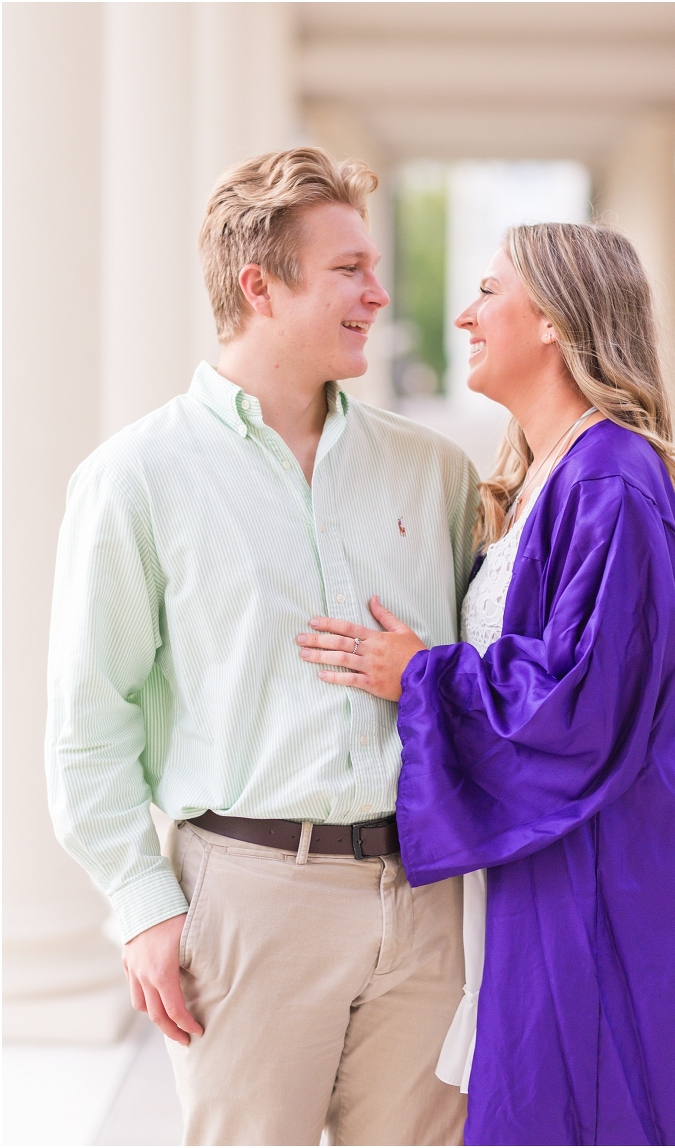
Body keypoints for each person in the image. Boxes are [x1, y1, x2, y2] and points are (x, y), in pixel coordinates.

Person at [295, 222, 675, 1146]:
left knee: (596, 1102)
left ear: (553, 319)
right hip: (557, 861)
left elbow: (580, 701)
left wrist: (423, 676)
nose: (465, 314)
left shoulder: (613, 481)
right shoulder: (550, 476)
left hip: (608, 876)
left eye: (487, 291)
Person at [46, 147, 479, 1147]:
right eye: (349, 271)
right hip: (246, 898)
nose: (380, 293)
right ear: (260, 285)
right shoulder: (135, 477)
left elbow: (489, 673)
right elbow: (87, 717)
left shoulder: (434, 472)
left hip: (421, 896)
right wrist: (143, 906)